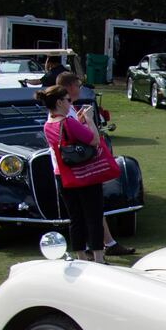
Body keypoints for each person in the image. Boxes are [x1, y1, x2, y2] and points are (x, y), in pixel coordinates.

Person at [38, 82, 118, 263]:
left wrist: (79, 122)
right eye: (67, 100)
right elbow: (95, 140)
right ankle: (98, 256)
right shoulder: (67, 122)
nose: (69, 103)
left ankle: (80, 255)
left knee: (76, 217)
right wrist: (89, 119)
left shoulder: (48, 125)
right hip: (84, 175)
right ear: (59, 102)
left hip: (63, 175)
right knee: (94, 215)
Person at [59, 74, 134, 256]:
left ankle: (106, 243)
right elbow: (91, 139)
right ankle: (95, 253)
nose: (80, 88)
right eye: (78, 84)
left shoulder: (65, 112)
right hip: (78, 167)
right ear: (69, 87)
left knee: (89, 211)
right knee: (89, 212)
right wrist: (89, 121)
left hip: (72, 167)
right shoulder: (64, 114)